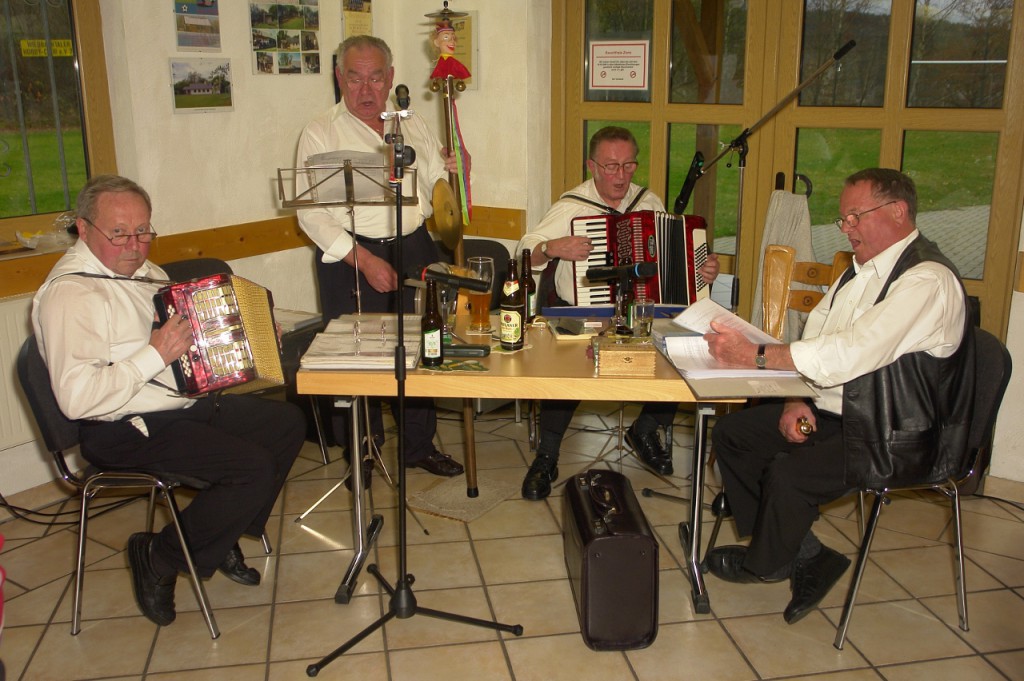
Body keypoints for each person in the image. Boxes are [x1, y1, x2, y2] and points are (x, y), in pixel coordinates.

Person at [31, 174, 305, 627]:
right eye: (119, 232)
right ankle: (158, 556)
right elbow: (79, 400)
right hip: (118, 427)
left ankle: (220, 532)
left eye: (143, 231)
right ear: (83, 229)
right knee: (249, 468)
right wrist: (154, 353)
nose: (135, 245)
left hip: (175, 406)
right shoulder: (70, 296)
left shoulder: (146, 274)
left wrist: (252, 342)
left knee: (285, 425)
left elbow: (192, 350)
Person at [703, 168, 974, 624]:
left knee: (787, 472)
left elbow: (849, 353)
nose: (845, 227)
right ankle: (803, 552)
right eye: (843, 218)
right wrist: (796, 401)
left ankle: (770, 563)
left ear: (898, 211)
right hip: (840, 413)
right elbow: (820, 341)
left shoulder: (926, 281)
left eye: (854, 216)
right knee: (735, 435)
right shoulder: (858, 270)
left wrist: (756, 355)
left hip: (894, 432)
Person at [515, 126, 720, 500]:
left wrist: (702, 268)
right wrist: (553, 246)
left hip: (642, 312)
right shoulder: (571, 206)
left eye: (628, 166)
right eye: (610, 167)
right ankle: (546, 456)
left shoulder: (648, 202)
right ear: (591, 166)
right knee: (563, 378)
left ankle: (645, 428)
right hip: (583, 312)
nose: (621, 177)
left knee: (678, 352)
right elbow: (524, 253)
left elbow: (676, 257)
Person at [296, 35, 466, 480]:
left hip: (414, 245)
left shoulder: (412, 123)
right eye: (354, 77)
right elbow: (311, 216)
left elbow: (432, 181)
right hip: (351, 254)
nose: (365, 89)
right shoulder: (320, 132)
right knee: (358, 359)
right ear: (339, 78)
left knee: (420, 348)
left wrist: (450, 174)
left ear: (390, 78)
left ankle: (417, 445)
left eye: (375, 77)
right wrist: (364, 261)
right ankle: (363, 452)